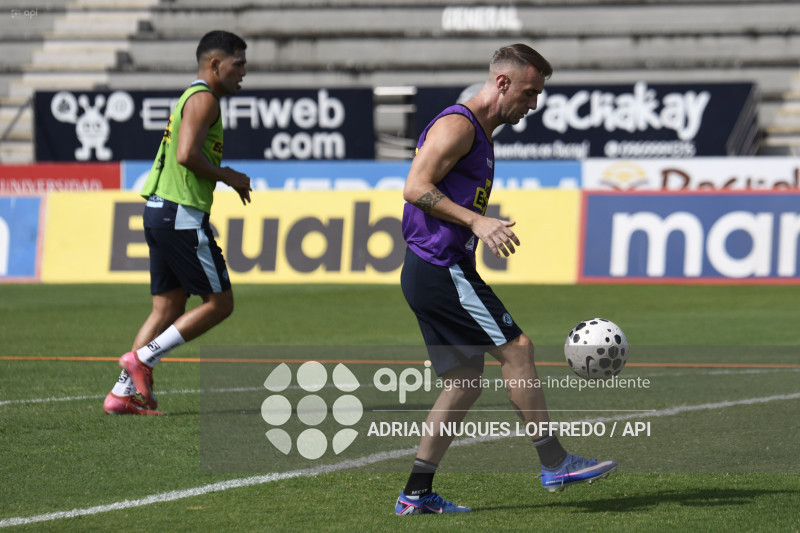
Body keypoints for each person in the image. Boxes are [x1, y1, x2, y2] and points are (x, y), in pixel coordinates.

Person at [395, 44, 616, 515]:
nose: (533, 104)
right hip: (440, 265)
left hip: (433, 267)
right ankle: (554, 462)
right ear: (502, 83)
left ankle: (415, 493)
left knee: (463, 381)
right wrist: (476, 222)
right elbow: (415, 187)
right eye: (530, 92)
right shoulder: (459, 125)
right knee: (517, 349)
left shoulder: (479, 131)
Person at [103, 30, 252, 415]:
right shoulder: (204, 99)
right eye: (238, 64)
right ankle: (143, 359)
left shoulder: (192, 97)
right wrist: (228, 175)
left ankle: (122, 393)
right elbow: (186, 155)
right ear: (215, 64)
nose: (243, 73)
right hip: (181, 214)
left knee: (166, 308)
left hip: (159, 210)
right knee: (220, 304)